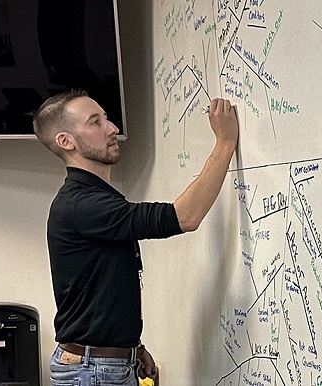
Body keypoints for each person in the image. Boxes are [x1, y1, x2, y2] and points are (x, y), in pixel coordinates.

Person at [33, 90, 239, 385]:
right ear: (66, 141)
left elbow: (100, 293)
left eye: (105, 118)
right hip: (94, 371)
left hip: (103, 366)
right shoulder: (81, 205)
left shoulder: (92, 199)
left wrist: (132, 351)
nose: (112, 128)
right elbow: (185, 217)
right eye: (95, 122)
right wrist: (225, 144)